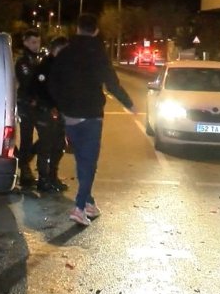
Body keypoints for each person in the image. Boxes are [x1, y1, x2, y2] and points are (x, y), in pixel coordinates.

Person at [47, 13, 135, 226]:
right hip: (91, 115)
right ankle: (79, 207)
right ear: (95, 30)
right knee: (89, 163)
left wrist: (61, 106)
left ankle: (89, 203)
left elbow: (52, 82)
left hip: (70, 116)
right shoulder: (98, 54)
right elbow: (111, 83)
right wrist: (129, 104)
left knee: (82, 160)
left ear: (77, 29)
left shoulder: (65, 53)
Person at [30, 36, 69, 193]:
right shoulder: (46, 66)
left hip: (59, 112)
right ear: (57, 49)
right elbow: (40, 90)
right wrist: (51, 105)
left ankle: (52, 176)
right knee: (46, 145)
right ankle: (43, 179)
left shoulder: (62, 65)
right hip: (46, 111)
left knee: (59, 145)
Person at [14, 29, 43, 187]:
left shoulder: (35, 59)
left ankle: (23, 160)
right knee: (27, 138)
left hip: (36, 104)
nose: (36, 45)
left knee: (46, 135)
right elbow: (27, 82)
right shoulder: (23, 61)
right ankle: (25, 170)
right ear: (25, 42)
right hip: (26, 103)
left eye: (38, 42)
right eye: (33, 42)